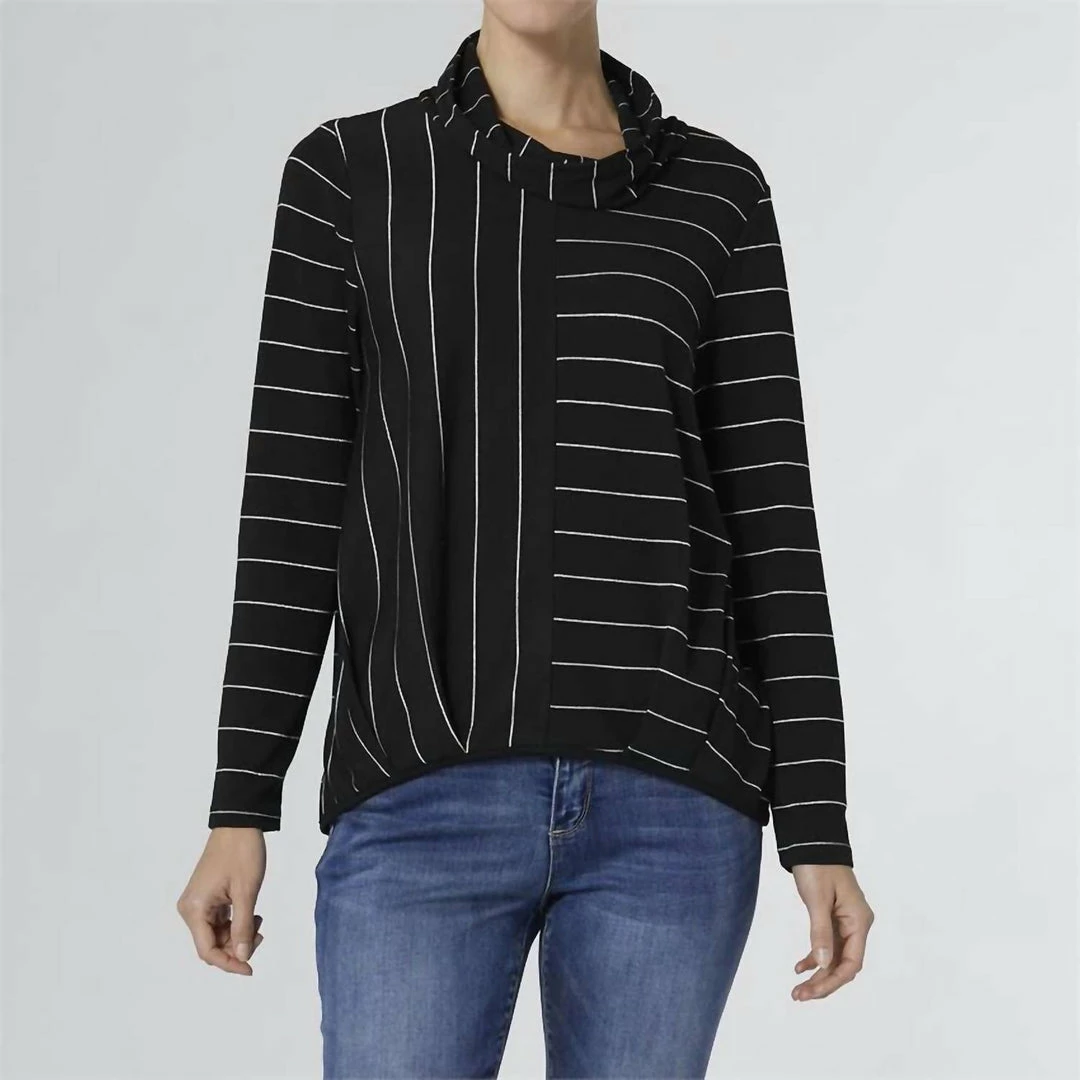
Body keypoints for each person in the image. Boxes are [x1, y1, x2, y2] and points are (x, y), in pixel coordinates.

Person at [177, 2, 874, 1076]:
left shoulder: (718, 192)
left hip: (675, 799)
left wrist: (817, 822)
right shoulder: (351, 174)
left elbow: (772, 516)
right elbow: (292, 498)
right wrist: (241, 801)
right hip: (421, 789)